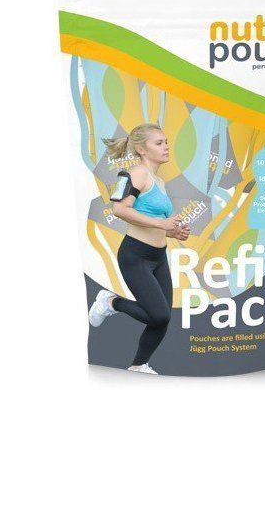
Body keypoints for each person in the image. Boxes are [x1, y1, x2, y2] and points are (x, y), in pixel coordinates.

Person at [88, 123, 190, 374]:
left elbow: (151, 220)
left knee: (163, 318)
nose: (166, 147)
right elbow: (119, 209)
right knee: (158, 315)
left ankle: (138, 365)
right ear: (142, 149)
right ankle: (111, 302)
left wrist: (172, 232)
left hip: (158, 256)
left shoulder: (159, 181)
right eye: (159, 143)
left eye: (166, 142)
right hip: (136, 256)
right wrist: (162, 223)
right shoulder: (135, 173)